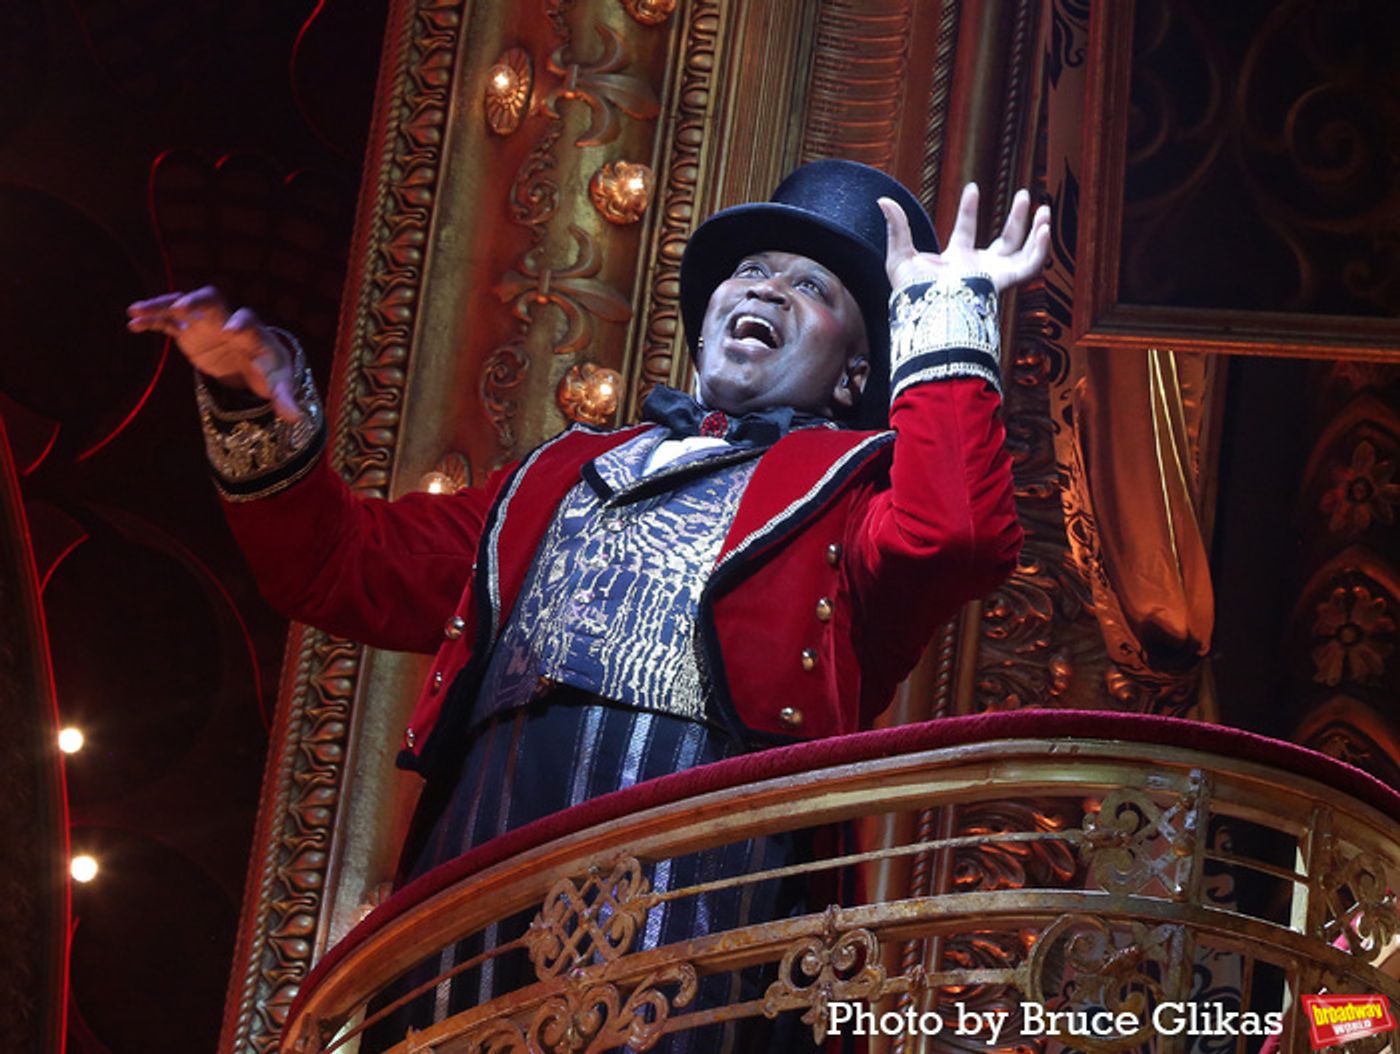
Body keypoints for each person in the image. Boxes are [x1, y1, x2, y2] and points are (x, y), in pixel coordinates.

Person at [128, 159, 1049, 1047]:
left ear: (855, 371)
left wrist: (943, 311)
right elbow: (335, 566)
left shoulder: (851, 497)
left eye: (811, 286)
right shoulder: (557, 473)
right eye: (751, 270)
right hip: (486, 849)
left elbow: (958, 533)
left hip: (704, 879)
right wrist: (251, 405)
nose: (765, 288)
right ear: (707, 320)